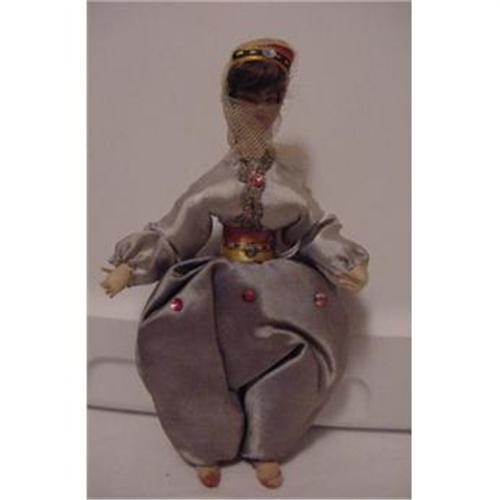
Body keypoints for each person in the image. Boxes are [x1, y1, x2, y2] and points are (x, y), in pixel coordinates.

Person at [101, 38, 369, 489]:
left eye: (271, 99)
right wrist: (131, 267)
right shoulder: (216, 181)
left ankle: (268, 444)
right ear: (229, 104)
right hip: (219, 286)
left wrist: (344, 260)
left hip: (279, 289)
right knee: (185, 349)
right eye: (249, 100)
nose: (260, 111)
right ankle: (204, 444)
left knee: (297, 354)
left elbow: (312, 228)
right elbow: (175, 230)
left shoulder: (288, 182)